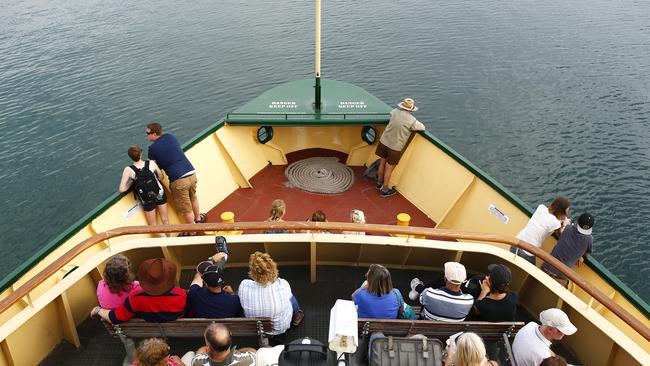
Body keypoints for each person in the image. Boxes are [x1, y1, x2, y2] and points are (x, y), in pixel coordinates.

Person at [90, 258, 187, 323]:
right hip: (175, 328)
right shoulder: (182, 295)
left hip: (143, 330)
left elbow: (114, 317)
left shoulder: (134, 298)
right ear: (169, 278)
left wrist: (97, 309)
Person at [146, 122, 204, 225]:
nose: (146, 135)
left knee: (185, 207)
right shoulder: (170, 136)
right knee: (193, 197)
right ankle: (198, 219)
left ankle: (193, 231)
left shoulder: (152, 149)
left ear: (154, 134)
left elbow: (153, 167)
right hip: (191, 172)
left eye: (148, 133)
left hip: (179, 179)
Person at [238, 252, 304, 335]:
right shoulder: (283, 285)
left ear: (252, 272)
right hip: (280, 330)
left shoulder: (243, 285)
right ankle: (297, 314)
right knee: (290, 298)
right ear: (273, 268)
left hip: (258, 329)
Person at [375, 97, 426, 197]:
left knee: (382, 163)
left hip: (384, 142)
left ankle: (379, 182)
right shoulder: (412, 121)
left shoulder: (394, 112)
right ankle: (385, 189)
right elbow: (422, 127)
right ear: (411, 109)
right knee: (389, 168)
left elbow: (391, 114)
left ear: (402, 106)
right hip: (395, 148)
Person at [119, 144, 170, 237]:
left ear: (130, 157)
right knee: (165, 219)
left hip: (146, 199)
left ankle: (166, 241)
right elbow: (161, 177)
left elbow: (122, 189)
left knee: (153, 226)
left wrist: (133, 182)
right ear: (141, 154)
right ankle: (171, 240)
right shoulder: (151, 163)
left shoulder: (128, 170)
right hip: (159, 193)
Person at [187, 236, 243, 318]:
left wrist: (211, 259)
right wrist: (231, 293)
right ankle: (224, 255)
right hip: (224, 328)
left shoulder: (194, 293)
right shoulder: (234, 300)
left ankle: (224, 255)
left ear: (205, 283)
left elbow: (198, 274)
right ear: (222, 281)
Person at [514, 197, 572, 264]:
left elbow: (548, 216)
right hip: (528, 251)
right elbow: (560, 236)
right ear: (563, 212)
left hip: (516, 242)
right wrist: (565, 224)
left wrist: (561, 219)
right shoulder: (556, 223)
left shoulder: (541, 207)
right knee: (531, 273)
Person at [409, 262, 474, 321]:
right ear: (464, 280)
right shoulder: (469, 300)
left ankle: (417, 287)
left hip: (425, 330)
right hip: (453, 333)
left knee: (426, 294)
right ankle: (418, 287)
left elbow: (423, 298)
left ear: (445, 279)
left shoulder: (429, 293)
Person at [512, 308, 577, 366]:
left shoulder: (531, 325)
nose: (564, 333)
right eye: (560, 330)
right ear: (550, 329)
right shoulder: (543, 357)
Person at [542, 213, 594, 281]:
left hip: (546, 267)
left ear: (578, 221)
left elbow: (560, 234)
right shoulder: (589, 239)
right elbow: (587, 253)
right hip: (561, 276)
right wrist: (580, 256)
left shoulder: (568, 228)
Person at [187, 323, 256, 366]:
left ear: (209, 347)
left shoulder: (197, 362)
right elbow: (252, 351)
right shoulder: (249, 360)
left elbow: (201, 350)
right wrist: (236, 352)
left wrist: (208, 348)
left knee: (190, 354)